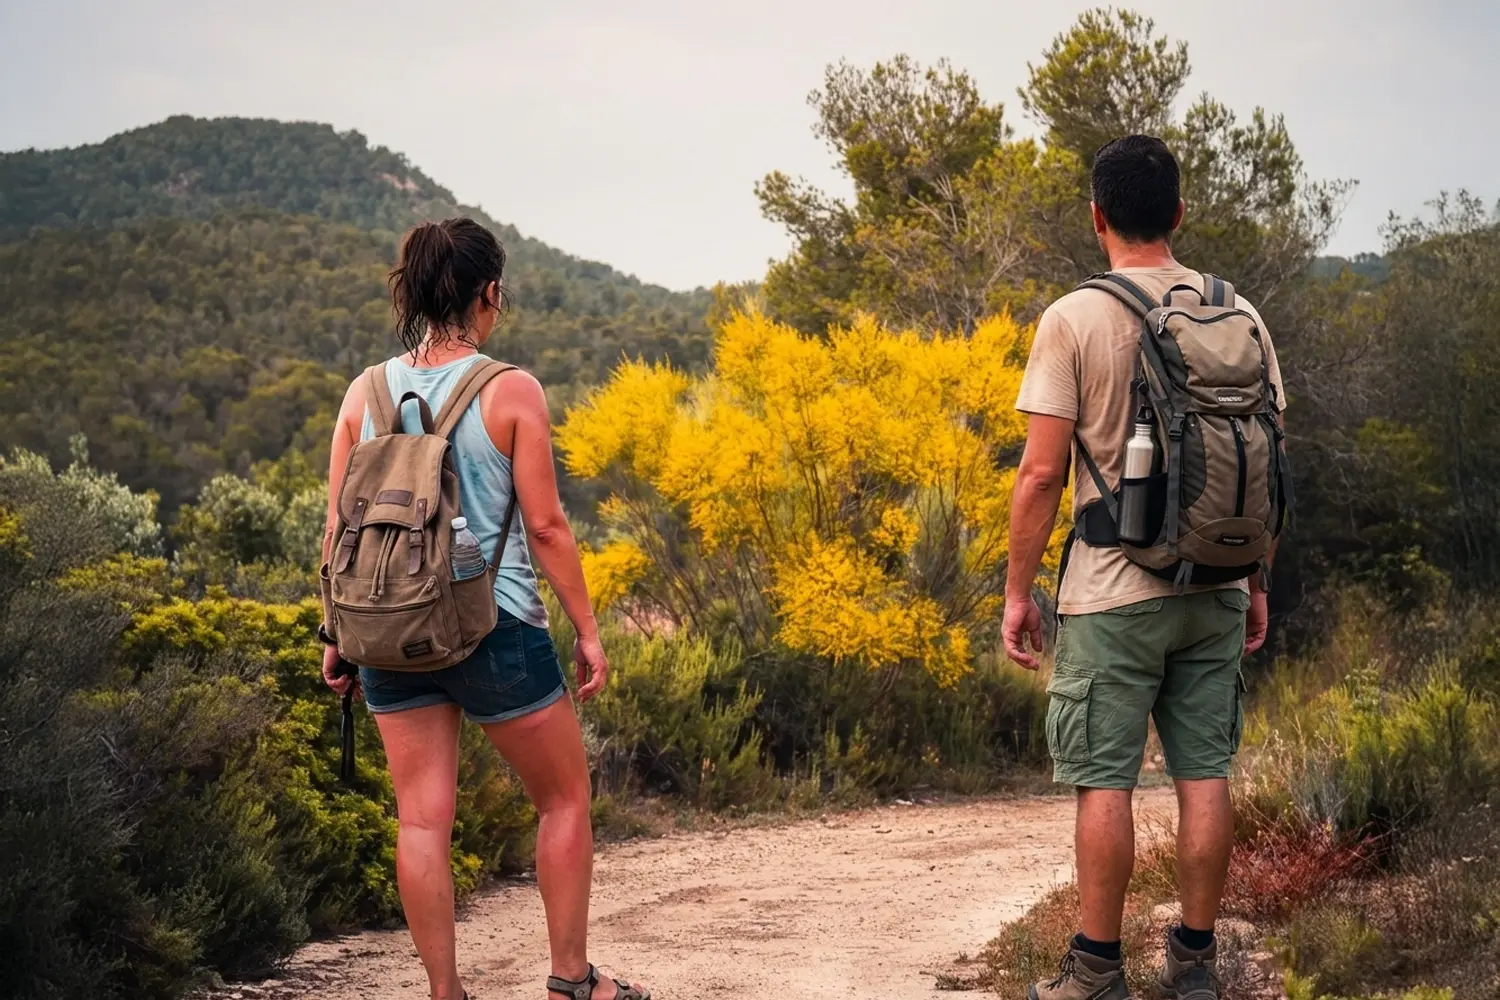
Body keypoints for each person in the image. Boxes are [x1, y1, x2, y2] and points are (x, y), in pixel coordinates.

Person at [320, 218, 649, 1000]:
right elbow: (546, 526)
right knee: (563, 799)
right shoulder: (510, 390)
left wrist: (336, 634)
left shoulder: (363, 394)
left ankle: (446, 993)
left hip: (389, 629)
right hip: (494, 629)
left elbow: (337, 528)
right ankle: (573, 982)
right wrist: (589, 631)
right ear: (488, 293)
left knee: (421, 820)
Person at [1002, 136, 1285, 1000]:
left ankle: (1095, 971)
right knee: (1206, 775)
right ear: (1179, 213)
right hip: (1218, 584)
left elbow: (1040, 474)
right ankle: (1195, 965)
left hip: (1111, 590)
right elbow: (1268, 464)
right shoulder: (1239, 313)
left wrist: (1017, 593)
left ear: (1097, 216)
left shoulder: (1074, 317)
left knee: (1104, 782)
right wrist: (1256, 581)